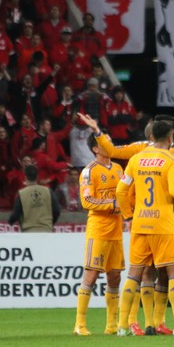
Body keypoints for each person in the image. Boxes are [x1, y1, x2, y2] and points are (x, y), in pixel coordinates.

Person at [114, 120, 174, 337]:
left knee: (134, 274)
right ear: (170, 137)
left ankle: (123, 327)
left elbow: (121, 191)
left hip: (141, 223)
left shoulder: (136, 159)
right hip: (164, 224)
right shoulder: (172, 159)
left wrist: (128, 215)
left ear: (151, 136)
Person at [73, 135, 124, 336]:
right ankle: (80, 324)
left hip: (116, 230)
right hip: (99, 229)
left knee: (115, 276)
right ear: (95, 149)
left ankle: (111, 325)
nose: (109, 145)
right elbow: (87, 202)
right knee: (92, 274)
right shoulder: (89, 172)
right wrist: (112, 205)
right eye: (104, 144)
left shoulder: (119, 169)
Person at [8, 165, 61, 232]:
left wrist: (10, 222)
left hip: (29, 231)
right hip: (46, 230)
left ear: (25, 176)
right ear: (37, 176)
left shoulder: (21, 193)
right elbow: (57, 210)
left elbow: (15, 215)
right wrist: (50, 223)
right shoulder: (48, 191)